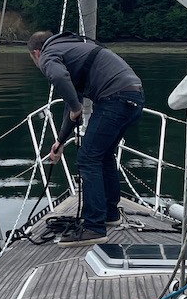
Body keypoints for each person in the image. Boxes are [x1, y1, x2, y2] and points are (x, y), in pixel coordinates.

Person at [28, 30, 144, 246]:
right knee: (103, 154)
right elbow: (74, 104)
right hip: (133, 97)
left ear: (36, 53)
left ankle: (93, 227)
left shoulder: (49, 54)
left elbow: (61, 80)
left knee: (87, 158)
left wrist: (74, 106)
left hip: (115, 99)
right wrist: (60, 142)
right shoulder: (73, 48)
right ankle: (109, 214)